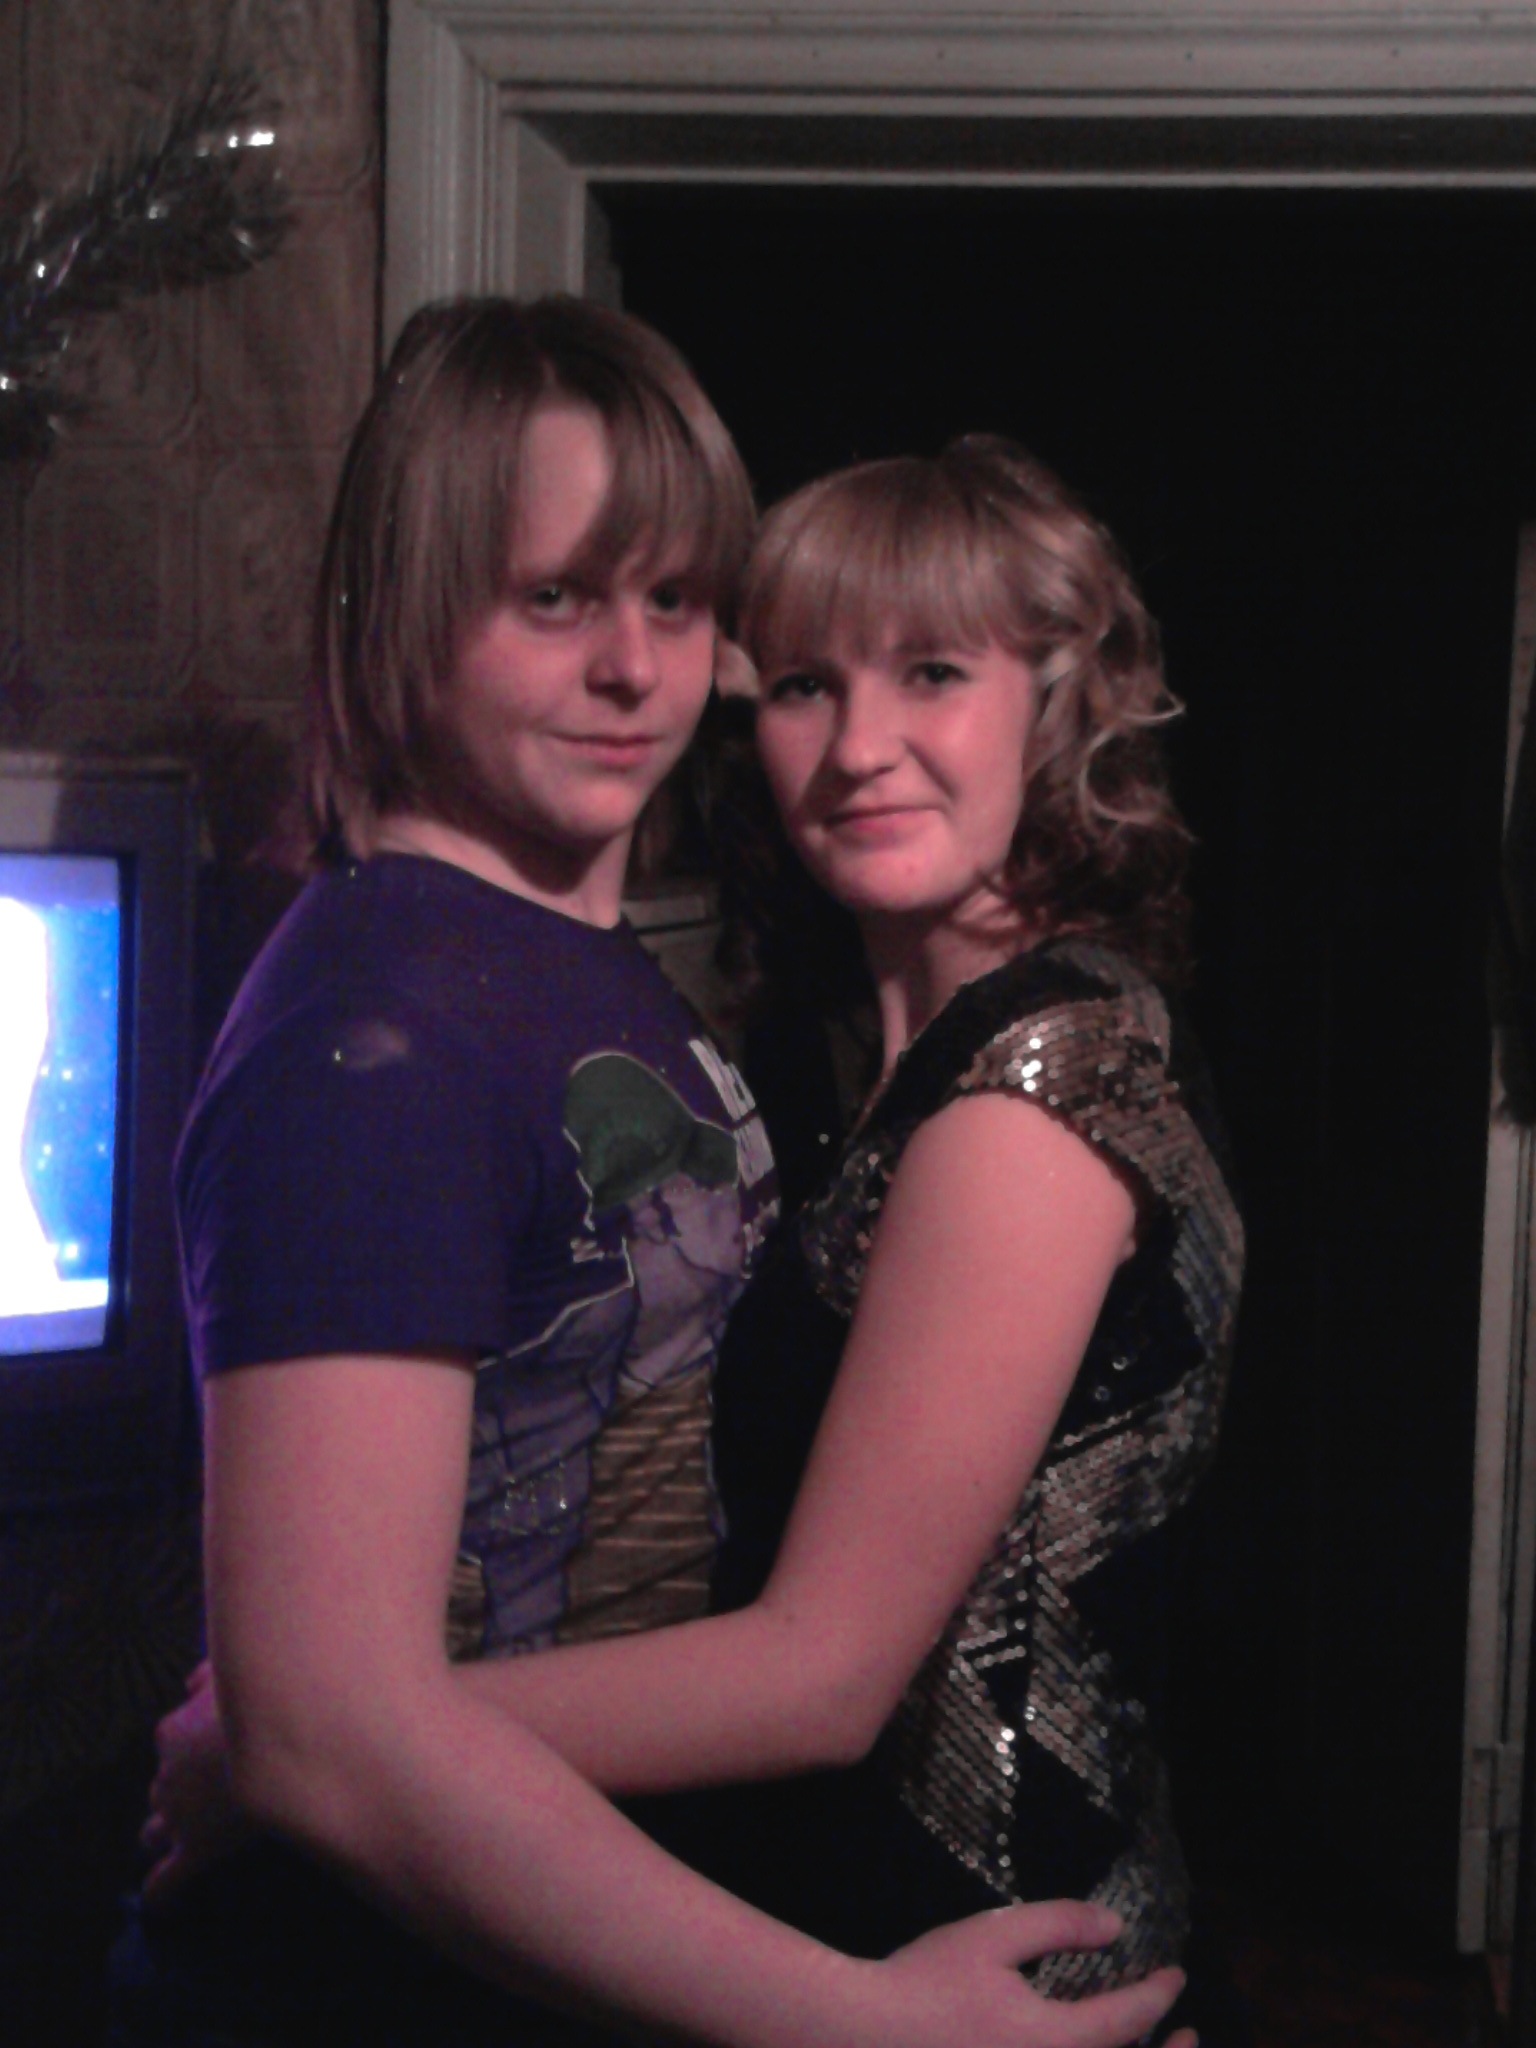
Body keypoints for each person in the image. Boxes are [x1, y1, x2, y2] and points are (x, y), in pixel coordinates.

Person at [116, 297, 1192, 2048]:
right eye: (555, 597)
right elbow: (324, 1734)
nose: (634, 669)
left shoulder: (596, 976)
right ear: (401, 605)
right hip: (363, 1989)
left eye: (678, 602)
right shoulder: (372, 1036)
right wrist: (856, 2018)